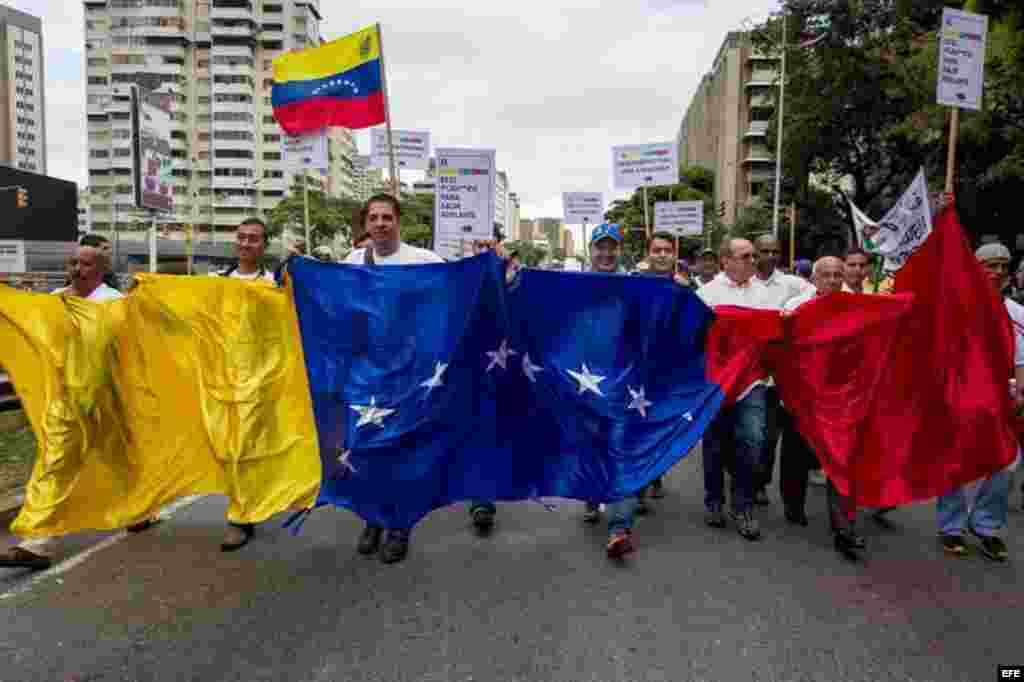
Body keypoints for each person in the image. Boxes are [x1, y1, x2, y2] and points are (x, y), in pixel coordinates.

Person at [0, 244, 158, 571]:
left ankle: (140, 511)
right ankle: (38, 542)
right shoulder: (56, 299)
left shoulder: (112, 302)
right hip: (66, 399)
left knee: (121, 458)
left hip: (107, 398)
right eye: (72, 262)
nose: (76, 268)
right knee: (55, 462)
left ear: (100, 269)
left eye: (84, 264)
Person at [343, 194, 444, 564]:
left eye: (387, 217)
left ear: (398, 221)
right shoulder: (353, 261)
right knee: (366, 447)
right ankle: (373, 518)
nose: (381, 223)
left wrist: (493, 265)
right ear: (366, 224)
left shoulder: (424, 261)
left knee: (400, 447)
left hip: (409, 371)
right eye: (374, 218)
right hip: (367, 370)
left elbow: (459, 289)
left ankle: (399, 524)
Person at [935, 242, 1022, 562]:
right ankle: (951, 525)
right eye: (991, 265)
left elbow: (1022, 360)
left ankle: (986, 526)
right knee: (955, 460)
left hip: (1005, 402)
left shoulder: (1017, 313)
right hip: (961, 396)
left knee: (1007, 463)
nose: (998, 272)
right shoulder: (958, 309)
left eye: (1003, 266)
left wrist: (1019, 395)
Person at [778, 256, 865, 560]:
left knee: (841, 460)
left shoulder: (858, 306)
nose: (832, 280)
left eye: (837, 274)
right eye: (826, 275)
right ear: (814, 279)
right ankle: (793, 503)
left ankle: (844, 529)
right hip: (803, 397)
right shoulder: (796, 307)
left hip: (842, 398)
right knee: (797, 454)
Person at [697, 238, 776, 541]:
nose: (752, 261)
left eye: (753, 256)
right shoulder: (705, 295)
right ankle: (714, 501)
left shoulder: (765, 295)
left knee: (753, 441)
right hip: (715, 381)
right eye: (745, 256)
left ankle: (743, 506)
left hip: (752, 382)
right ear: (725, 260)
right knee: (714, 443)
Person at [211, 218, 275, 553]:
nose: (246, 243)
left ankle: (240, 516)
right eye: (241, 238)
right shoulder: (216, 282)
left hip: (262, 377)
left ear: (264, 245)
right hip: (221, 378)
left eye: (253, 239)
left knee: (244, 447)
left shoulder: (275, 282)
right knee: (227, 447)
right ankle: (247, 505)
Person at [630, 231, 691, 509]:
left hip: (668, 372)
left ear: (675, 254)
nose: (663, 255)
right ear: (648, 254)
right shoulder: (633, 283)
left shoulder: (684, 288)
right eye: (657, 250)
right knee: (638, 426)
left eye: (668, 250)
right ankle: (638, 486)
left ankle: (654, 470)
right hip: (638, 370)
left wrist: (686, 292)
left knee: (660, 426)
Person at [753, 235, 815, 507]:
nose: (770, 256)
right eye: (764, 251)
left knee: (775, 435)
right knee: (759, 436)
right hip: (753, 375)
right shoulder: (743, 283)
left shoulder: (795, 285)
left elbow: (818, 296)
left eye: (775, 251)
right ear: (754, 254)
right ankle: (753, 480)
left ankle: (761, 483)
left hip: (785, 374)